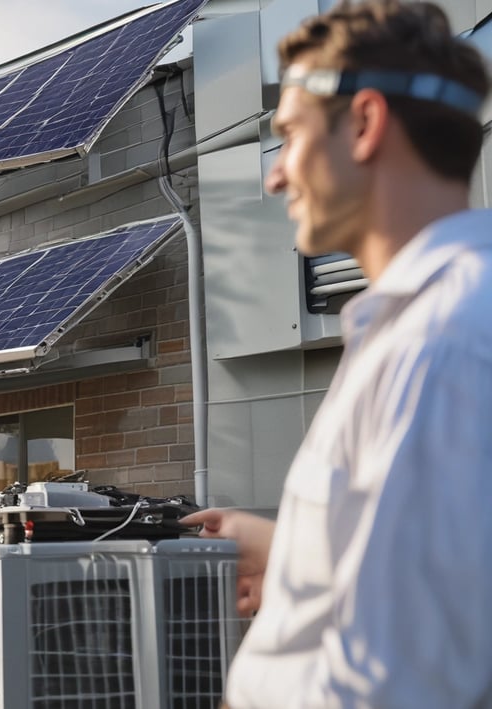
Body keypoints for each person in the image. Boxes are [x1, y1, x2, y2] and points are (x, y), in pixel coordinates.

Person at [181, 1, 492, 706]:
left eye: (288, 135)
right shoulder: (426, 328)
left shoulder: (439, 344)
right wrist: (297, 548)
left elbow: (398, 681)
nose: (274, 175)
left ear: (363, 124)